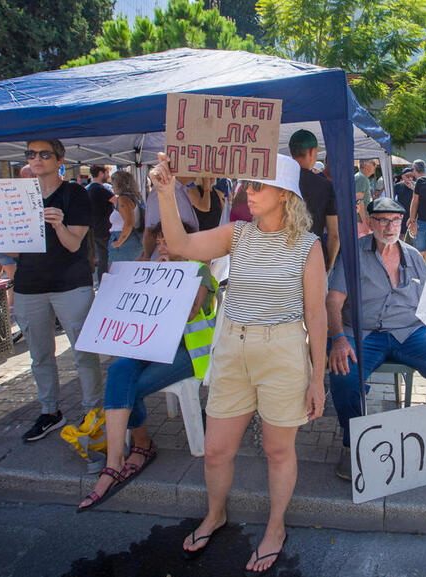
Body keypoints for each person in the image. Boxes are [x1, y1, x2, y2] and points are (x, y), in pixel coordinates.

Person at [153, 153, 326, 575]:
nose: (247, 190)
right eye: (247, 183)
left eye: (257, 185)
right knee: (216, 451)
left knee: (277, 449)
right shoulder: (238, 233)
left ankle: (275, 526)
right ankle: (215, 514)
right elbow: (180, 246)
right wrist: (164, 193)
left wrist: (316, 380)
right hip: (232, 346)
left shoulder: (308, 245)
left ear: (284, 195)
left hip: (283, 351)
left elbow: (316, 315)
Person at [328, 197, 426, 480]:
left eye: (395, 220)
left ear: (403, 222)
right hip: (365, 333)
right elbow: (333, 301)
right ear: (370, 222)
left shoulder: (414, 256)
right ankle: (353, 444)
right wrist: (338, 338)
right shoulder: (353, 254)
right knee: (343, 372)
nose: (389, 226)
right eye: (382, 220)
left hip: (410, 333)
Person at [78, 225, 217, 511]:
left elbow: (191, 311)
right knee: (118, 372)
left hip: (188, 351)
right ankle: (115, 460)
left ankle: (140, 448)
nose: (163, 245)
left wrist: (169, 277)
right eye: (160, 240)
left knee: (132, 387)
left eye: (169, 240)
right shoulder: (150, 268)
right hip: (152, 346)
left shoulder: (199, 270)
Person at [14, 139, 103, 442]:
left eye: (43, 154)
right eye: (31, 154)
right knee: (39, 355)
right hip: (29, 284)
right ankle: (50, 411)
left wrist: (58, 225)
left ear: (59, 159)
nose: (36, 160)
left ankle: (94, 410)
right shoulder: (19, 195)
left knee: (83, 352)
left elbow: (74, 244)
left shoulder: (75, 193)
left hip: (70, 284)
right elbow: (8, 246)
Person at [290, 129, 340, 269]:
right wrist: (328, 267)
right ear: (312, 152)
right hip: (313, 258)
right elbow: (334, 235)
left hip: (281, 259)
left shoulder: (278, 182)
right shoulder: (325, 186)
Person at [107, 170, 145, 266]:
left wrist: (119, 242)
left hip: (125, 241)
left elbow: (129, 223)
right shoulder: (135, 197)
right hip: (131, 239)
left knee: (116, 275)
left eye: (113, 184)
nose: (112, 187)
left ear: (118, 184)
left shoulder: (123, 199)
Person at [85, 165, 113, 281]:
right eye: (107, 172)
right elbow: (118, 202)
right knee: (107, 259)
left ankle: (102, 284)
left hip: (94, 229)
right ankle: (105, 284)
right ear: (101, 173)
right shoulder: (100, 189)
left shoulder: (87, 188)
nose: (108, 176)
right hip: (104, 229)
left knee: (102, 259)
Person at [354, 158, 377, 227]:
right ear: (365, 165)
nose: (375, 166)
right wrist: (364, 222)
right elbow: (358, 201)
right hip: (360, 221)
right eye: (373, 163)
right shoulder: (362, 178)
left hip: (359, 219)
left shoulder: (361, 177)